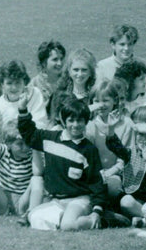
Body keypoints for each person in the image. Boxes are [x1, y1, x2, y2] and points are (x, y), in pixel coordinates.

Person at [17, 96, 108, 231]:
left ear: (86, 121)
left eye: (80, 120)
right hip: (57, 201)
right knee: (34, 217)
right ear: (64, 121)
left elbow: (97, 182)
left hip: (80, 199)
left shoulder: (89, 150)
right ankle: (65, 217)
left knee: (68, 226)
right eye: (71, 120)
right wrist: (22, 109)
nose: (75, 125)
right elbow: (29, 134)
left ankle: (104, 220)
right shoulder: (50, 139)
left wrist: (97, 211)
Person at [85, 78, 132, 197]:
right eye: (96, 101)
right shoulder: (90, 125)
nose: (101, 105)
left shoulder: (126, 124)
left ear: (114, 101)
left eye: (105, 100)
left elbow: (125, 156)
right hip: (95, 173)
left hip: (118, 173)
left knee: (112, 185)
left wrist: (110, 172)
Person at [50, 48, 97, 126]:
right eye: (76, 70)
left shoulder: (95, 95)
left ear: (91, 72)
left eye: (84, 70)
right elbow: (54, 122)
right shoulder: (60, 95)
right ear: (69, 71)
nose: (80, 74)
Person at [0, 60, 48, 128]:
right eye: (9, 83)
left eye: (18, 82)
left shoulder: (35, 93)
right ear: (2, 84)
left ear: (24, 82)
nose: (14, 87)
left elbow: (41, 124)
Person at [28, 41, 66, 109]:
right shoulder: (34, 84)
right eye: (55, 59)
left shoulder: (68, 82)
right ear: (43, 63)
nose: (60, 63)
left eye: (61, 59)